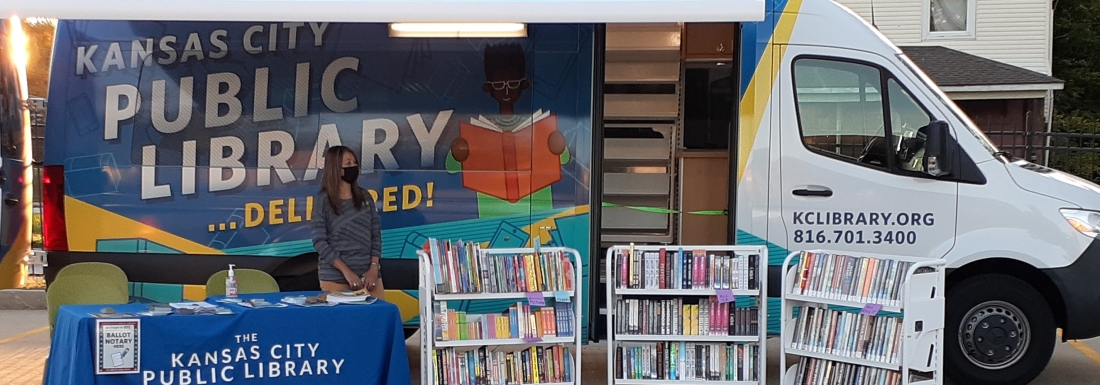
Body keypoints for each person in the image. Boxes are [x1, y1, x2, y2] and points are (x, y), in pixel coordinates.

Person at [311, 145, 385, 300]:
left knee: (377, 318)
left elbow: (375, 235)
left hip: (369, 278)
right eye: (348, 163)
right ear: (335, 168)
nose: (353, 167)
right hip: (334, 277)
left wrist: (373, 268)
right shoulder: (323, 200)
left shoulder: (365, 197)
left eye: (354, 163)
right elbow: (319, 241)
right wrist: (346, 272)